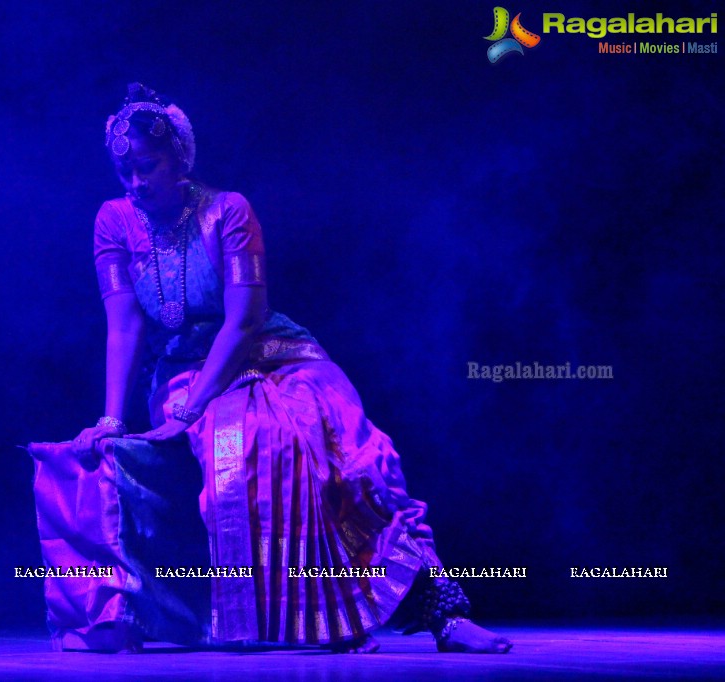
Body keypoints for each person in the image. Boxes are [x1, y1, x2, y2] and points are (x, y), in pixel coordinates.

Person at [69, 82, 512, 654]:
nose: (134, 182)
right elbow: (124, 325)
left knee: (351, 445)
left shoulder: (228, 211)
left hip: (272, 355)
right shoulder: (113, 222)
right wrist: (111, 418)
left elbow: (245, 323)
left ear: (179, 158)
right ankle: (323, 622)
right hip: (183, 369)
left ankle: (442, 615)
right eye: (123, 171)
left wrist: (196, 405)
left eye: (147, 167)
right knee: (262, 440)